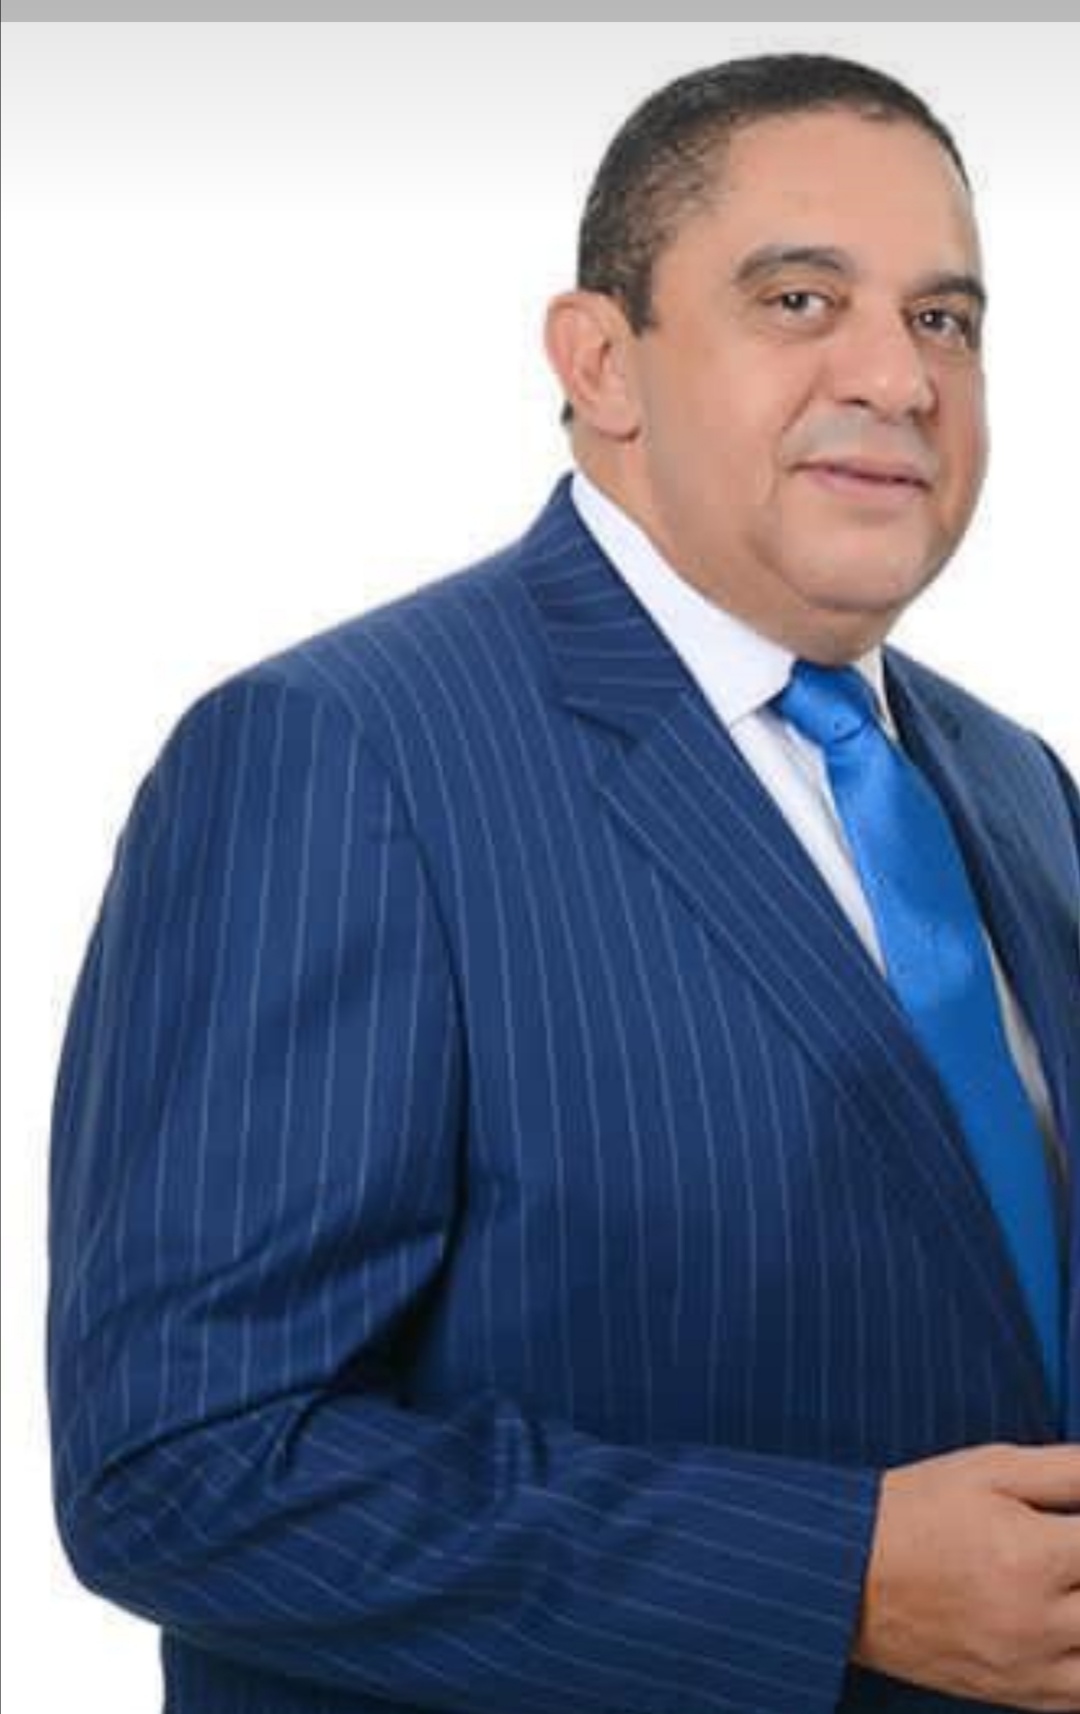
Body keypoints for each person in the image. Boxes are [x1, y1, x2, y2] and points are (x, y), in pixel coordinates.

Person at [46, 51, 1079, 1714]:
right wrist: (837, 1582)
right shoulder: (341, 753)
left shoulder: (1015, 781)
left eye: (946, 319)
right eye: (801, 299)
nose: (900, 376)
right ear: (602, 360)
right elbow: (181, 1463)